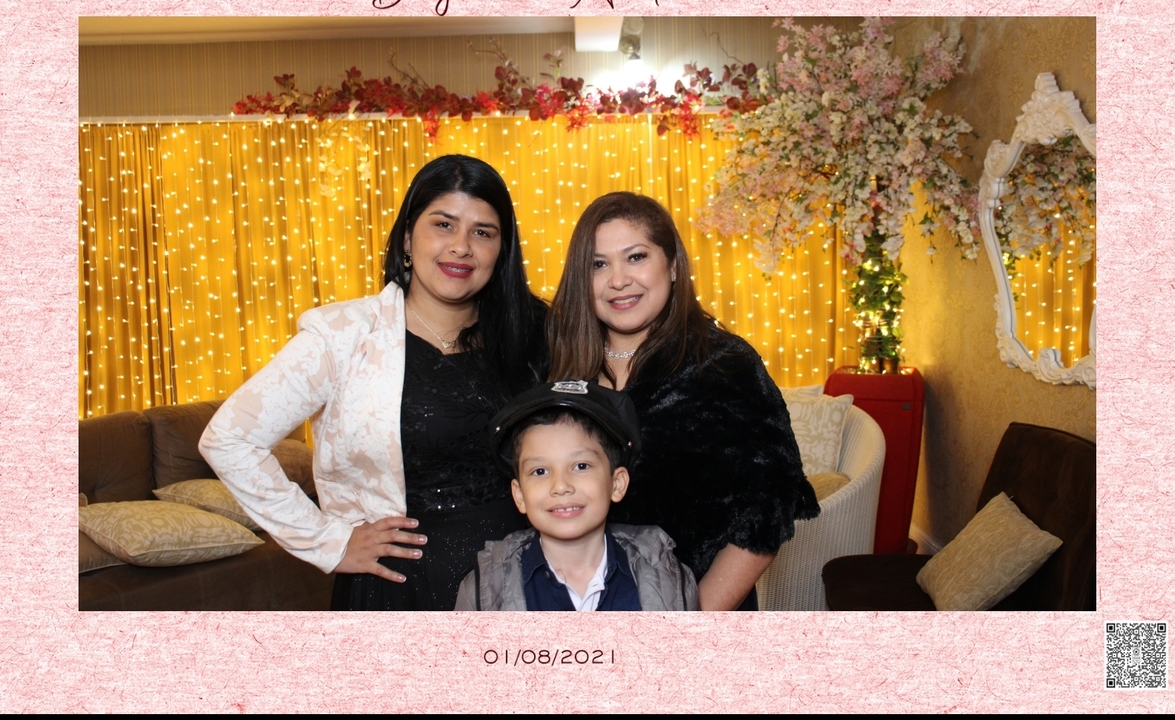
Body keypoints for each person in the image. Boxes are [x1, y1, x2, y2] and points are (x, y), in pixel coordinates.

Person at [200, 154, 547, 611]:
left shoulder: (534, 333)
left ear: (502, 250)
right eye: (443, 225)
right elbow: (229, 439)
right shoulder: (342, 336)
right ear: (407, 237)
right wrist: (329, 541)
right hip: (402, 585)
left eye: (482, 232)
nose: (461, 246)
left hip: (526, 578)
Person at [545, 192, 820, 611]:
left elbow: (767, 513)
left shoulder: (724, 363)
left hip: (694, 611)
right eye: (598, 265)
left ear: (672, 265)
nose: (618, 280)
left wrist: (691, 621)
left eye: (636, 257)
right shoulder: (560, 365)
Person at [455, 380, 699, 611]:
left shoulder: (669, 580)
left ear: (616, 484)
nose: (561, 486)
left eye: (581, 466)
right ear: (519, 495)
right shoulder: (484, 591)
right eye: (540, 471)